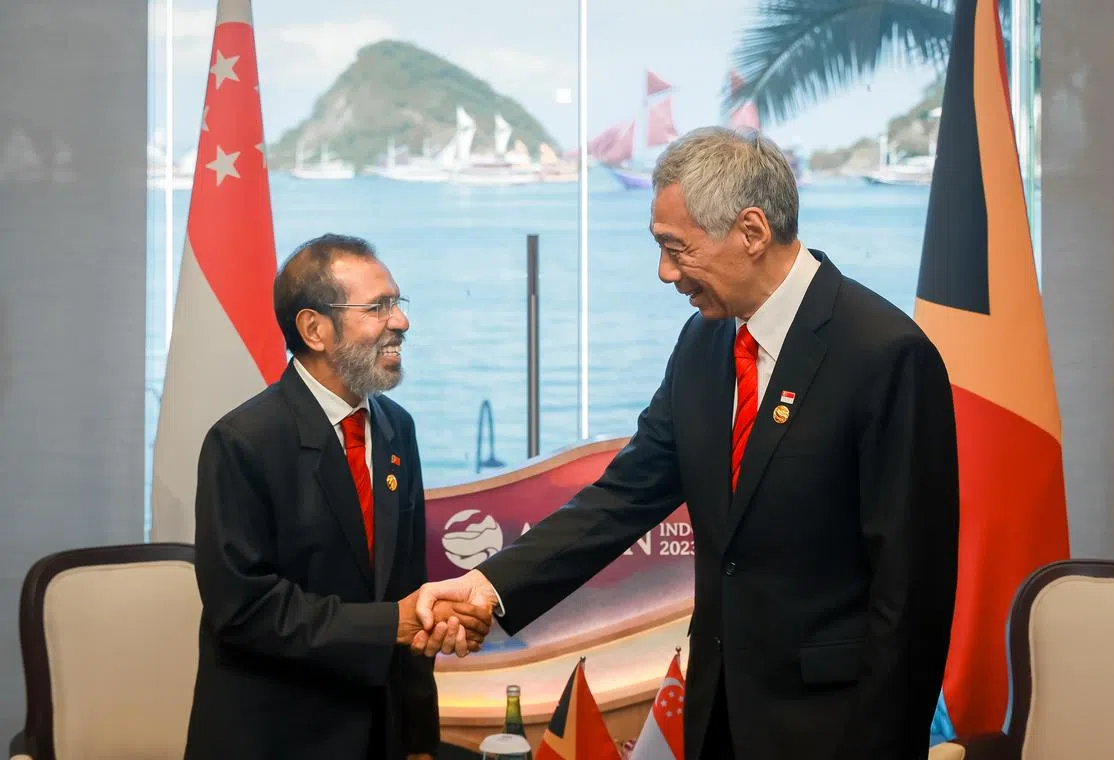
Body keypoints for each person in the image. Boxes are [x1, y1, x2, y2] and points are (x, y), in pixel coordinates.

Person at [411, 129, 959, 759]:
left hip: (832, 727)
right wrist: (488, 587)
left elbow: (912, 587)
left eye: (677, 250)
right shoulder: (705, 344)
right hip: (716, 716)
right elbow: (623, 497)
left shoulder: (885, 354)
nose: (665, 273)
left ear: (751, 232)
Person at [185, 233, 492, 760]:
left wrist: (418, 737)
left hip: (381, 733)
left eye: (397, 303)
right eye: (378, 307)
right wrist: (393, 623)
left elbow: (407, 588)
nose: (401, 322)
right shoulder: (243, 442)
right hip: (276, 737)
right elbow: (243, 609)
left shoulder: (397, 429)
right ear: (314, 329)